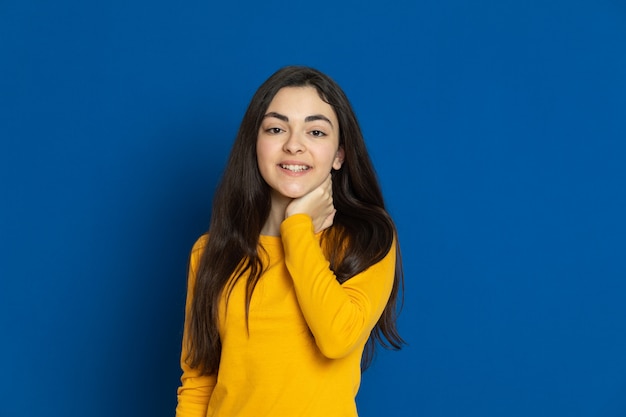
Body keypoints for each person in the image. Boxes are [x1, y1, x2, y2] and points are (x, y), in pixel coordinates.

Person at [175, 65, 405, 417]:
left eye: (315, 132)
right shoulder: (211, 252)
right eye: (276, 128)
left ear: (339, 154)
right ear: (255, 144)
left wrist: (296, 227)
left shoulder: (367, 240)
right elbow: (199, 380)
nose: (294, 145)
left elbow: (337, 338)